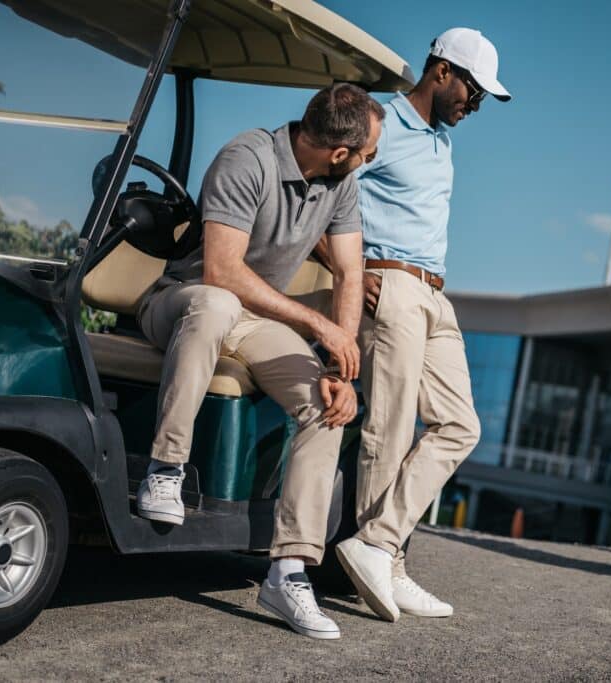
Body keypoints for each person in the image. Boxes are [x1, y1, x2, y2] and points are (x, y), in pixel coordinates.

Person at [134, 84, 384, 639]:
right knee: (218, 301)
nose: (368, 163)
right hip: (183, 300)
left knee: (327, 407)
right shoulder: (246, 158)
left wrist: (341, 370)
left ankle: (288, 570)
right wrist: (316, 325)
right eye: (367, 154)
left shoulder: (340, 188)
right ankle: (165, 468)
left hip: (255, 323)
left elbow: (348, 273)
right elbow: (221, 271)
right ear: (339, 152)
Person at [314, 28, 510, 622]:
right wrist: (347, 270)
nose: (473, 107)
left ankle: (379, 546)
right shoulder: (382, 124)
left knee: (460, 425)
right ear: (443, 70)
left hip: (434, 293)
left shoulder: (441, 142)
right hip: (389, 284)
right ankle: (386, 563)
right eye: (473, 92)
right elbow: (321, 196)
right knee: (391, 431)